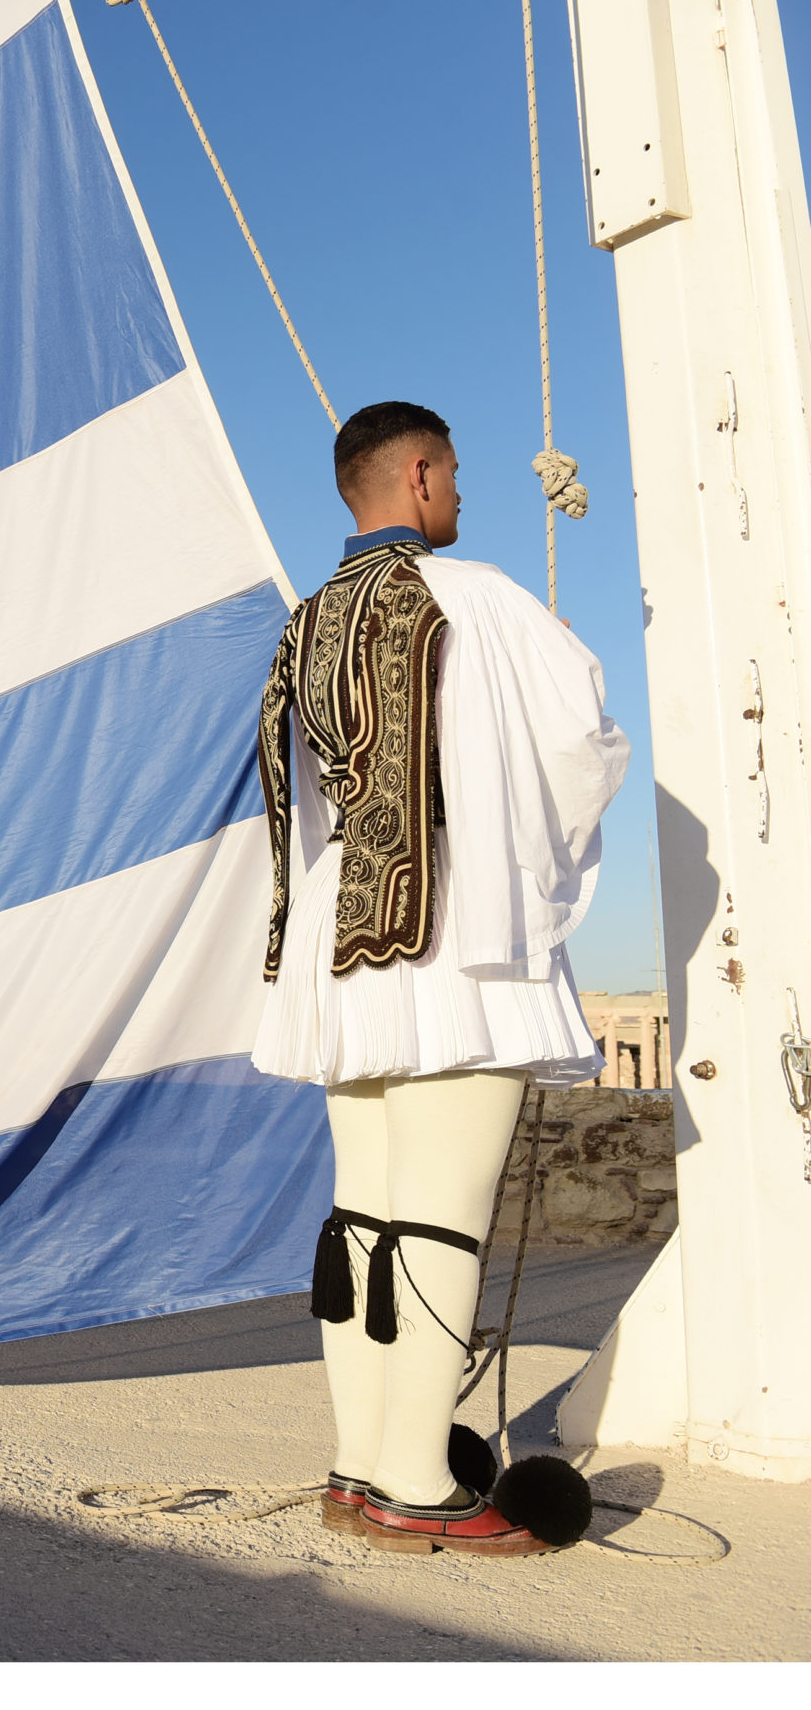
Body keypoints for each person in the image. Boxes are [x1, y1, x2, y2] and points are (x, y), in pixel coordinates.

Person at [253, 403, 627, 1555]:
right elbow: (583, 747)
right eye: (453, 473)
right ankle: (419, 1483)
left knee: (362, 1219)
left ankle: (360, 1469)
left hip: (335, 938)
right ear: (416, 475)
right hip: (448, 930)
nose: (459, 493)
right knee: (439, 1220)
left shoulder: (302, 624)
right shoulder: (477, 599)